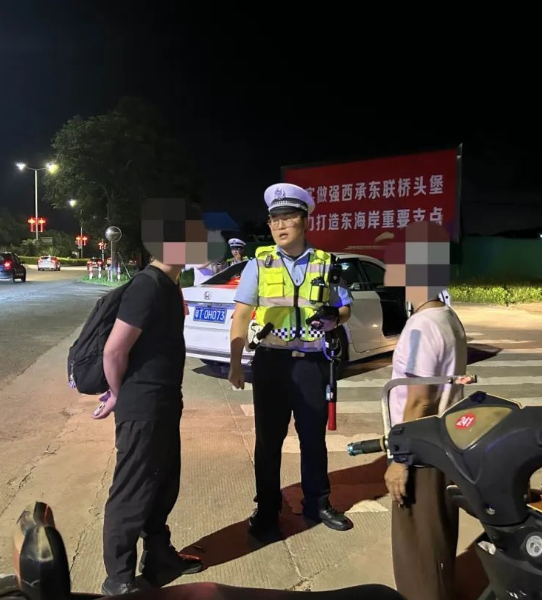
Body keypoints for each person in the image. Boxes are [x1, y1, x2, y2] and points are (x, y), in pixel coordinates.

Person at [98, 199, 212, 595]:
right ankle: (119, 578)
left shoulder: (169, 284)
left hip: (164, 402)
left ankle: (159, 556)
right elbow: (114, 351)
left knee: (162, 485)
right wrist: (118, 393)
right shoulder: (147, 285)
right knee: (133, 490)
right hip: (143, 406)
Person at [228, 182, 354, 540]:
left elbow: (345, 308)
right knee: (268, 441)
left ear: (305, 220)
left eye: (288, 217)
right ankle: (267, 509)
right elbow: (241, 315)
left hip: (312, 364)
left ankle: (317, 503)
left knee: (313, 438)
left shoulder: (325, 263)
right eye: (274, 219)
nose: (280, 225)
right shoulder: (258, 264)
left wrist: (335, 318)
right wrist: (236, 363)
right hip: (271, 363)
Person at [382, 221, 467, 600]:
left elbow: (420, 399)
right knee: (438, 543)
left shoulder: (420, 327)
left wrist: (400, 461)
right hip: (444, 447)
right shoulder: (448, 318)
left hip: (421, 456)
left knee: (418, 555)